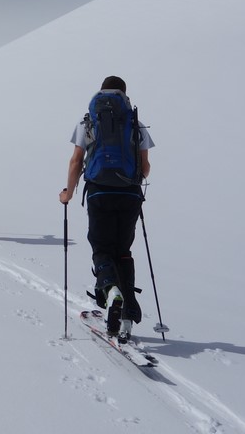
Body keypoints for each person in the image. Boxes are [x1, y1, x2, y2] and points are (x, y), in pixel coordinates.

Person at [58, 75, 155, 342]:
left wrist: (68, 193)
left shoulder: (88, 121)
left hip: (99, 192)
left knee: (101, 248)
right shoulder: (135, 122)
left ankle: (111, 291)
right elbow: (146, 167)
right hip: (130, 194)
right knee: (123, 251)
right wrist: (131, 181)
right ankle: (127, 316)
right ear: (125, 95)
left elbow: (76, 162)